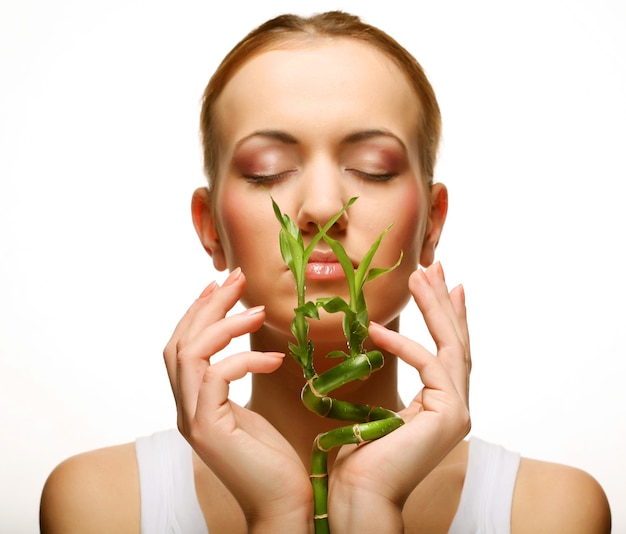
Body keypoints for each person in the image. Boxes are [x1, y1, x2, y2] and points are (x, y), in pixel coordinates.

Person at [39, 11, 611, 533]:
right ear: (211, 228)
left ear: (431, 223)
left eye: (373, 168)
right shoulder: (100, 506)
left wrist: (372, 505)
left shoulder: (549, 512)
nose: (320, 208)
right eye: (267, 171)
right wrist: (278, 515)